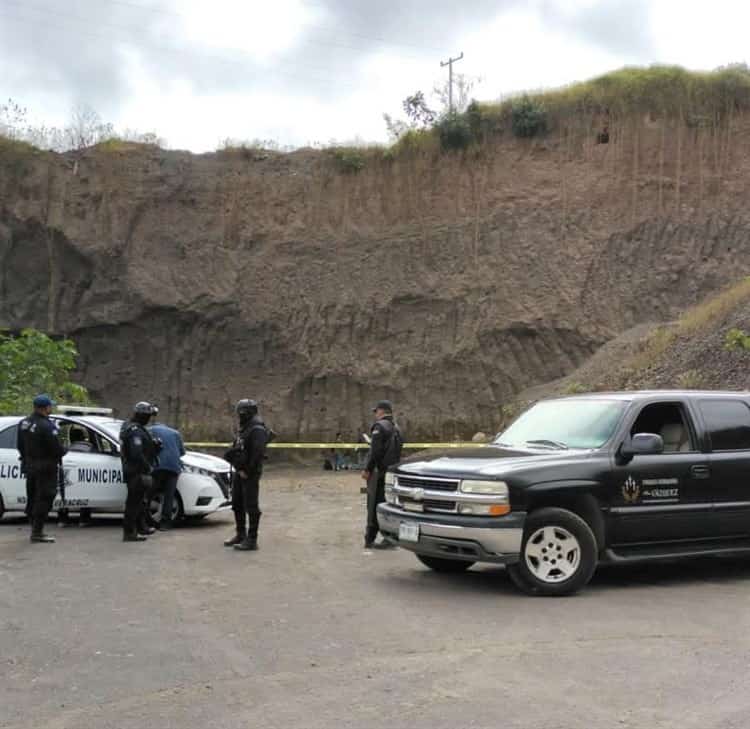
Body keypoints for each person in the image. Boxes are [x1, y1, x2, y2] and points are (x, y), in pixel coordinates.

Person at [17, 394, 67, 543]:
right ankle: (37, 532)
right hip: (46, 468)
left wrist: (28, 459)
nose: (51, 408)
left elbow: (19, 445)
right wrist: (65, 450)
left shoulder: (24, 423)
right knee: (45, 498)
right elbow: (56, 449)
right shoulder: (47, 426)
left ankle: (34, 527)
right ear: (45, 408)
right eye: (50, 406)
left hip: (30, 466)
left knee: (32, 497)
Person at [223, 399, 269, 552]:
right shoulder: (246, 428)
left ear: (246, 412)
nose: (238, 415)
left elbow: (257, 454)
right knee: (237, 504)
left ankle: (252, 539)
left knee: (251, 506)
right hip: (240, 471)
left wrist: (246, 471)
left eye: (240, 412)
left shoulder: (257, 429)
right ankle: (240, 534)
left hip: (249, 473)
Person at [362, 400, 403, 549]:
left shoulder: (379, 427)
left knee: (374, 506)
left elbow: (375, 452)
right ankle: (390, 538)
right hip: (392, 474)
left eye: (376, 411)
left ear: (381, 411)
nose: (375, 414)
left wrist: (367, 469)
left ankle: (369, 539)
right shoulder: (397, 428)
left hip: (379, 473)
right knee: (390, 505)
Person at [119, 401, 161, 542]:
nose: (150, 418)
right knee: (133, 504)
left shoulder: (134, 428)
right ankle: (130, 533)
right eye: (148, 416)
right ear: (142, 416)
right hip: (136, 472)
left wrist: (154, 446)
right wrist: (147, 467)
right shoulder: (135, 430)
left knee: (138, 503)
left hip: (135, 471)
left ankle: (137, 529)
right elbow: (136, 453)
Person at [149, 421, 185, 531]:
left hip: (158, 466)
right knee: (169, 495)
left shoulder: (150, 430)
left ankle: (145, 520)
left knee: (149, 494)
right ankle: (166, 523)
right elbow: (182, 452)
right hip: (174, 468)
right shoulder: (175, 433)